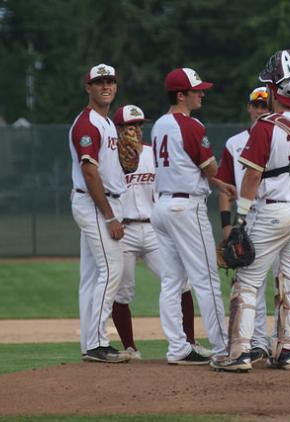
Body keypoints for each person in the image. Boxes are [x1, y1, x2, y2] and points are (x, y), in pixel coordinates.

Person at [211, 50, 290, 372]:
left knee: (246, 282)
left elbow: (252, 176)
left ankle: (239, 354)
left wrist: (241, 218)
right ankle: (287, 351)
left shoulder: (265, 127)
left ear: (275, 89)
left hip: (273, 211)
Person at [110, 104, 210, 360]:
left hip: (153, 228)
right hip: (125, 231)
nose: (135, 131)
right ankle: (130, 348)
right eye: (130, 126)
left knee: (181, 283)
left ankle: (189, 343)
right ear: (118, 128)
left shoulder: (154, 155)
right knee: (123, 292)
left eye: (139, 125)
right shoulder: (110, 159)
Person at [150, 67, 233, 365]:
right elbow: (210, 169)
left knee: (172, 281)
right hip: (186, 207)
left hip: (161, 207)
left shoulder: (159, 124)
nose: (202, 94)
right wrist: (229, 183)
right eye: (197, 90)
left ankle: (177, 348)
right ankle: (224, 348)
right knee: (206, 278)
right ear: (181, 94)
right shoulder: (190, 125)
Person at [69, 64, 132, 363]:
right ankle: (97, 343)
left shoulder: (107, 123)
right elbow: (89, 172)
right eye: (99, 82)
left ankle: (89, 343)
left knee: (93, 275)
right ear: (88, 88)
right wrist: (109, 216)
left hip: (101, 201)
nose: (105, 86)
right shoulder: (87, 124)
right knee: (112, 270)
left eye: (110, 81)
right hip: (95, 203)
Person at [216, 87, 272, 363]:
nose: (260, 110)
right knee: (251, 282)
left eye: (265, 105)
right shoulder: (234, 142)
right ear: (249, 107)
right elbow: (225, 187)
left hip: (275, 212)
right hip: (246, 218)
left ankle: (280, 344)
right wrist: (227, 227)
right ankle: (257, 341)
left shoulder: (281, 136)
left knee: (282, 280)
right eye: (256, 105)